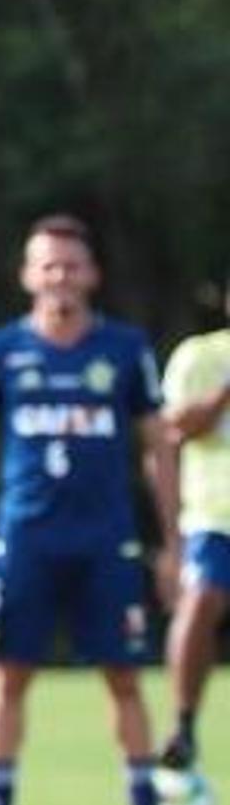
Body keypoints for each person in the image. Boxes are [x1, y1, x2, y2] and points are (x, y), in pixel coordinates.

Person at [0, 215, 186, 805]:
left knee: (125, 678)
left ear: (92, 274)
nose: (60, 276)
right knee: (9, 676)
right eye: (47, 265)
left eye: (71, 265)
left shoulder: (126, 351)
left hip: (107, 543)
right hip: (26, 542)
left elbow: (158, 448)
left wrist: (173, 543)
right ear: (27, 275)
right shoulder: (0, 353)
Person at [157, 280, 230, 772]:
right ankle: (182, 724)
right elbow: (176, 427)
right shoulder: (199, 355)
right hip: (214, 513)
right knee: (200, 602)